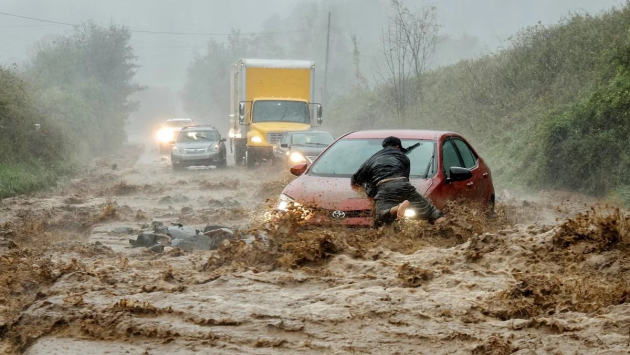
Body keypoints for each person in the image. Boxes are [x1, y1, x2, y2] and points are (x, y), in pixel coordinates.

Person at [351, 136, 446, 227]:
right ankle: (446, 234)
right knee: (433, 213)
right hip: (403, 184)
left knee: (379, 218)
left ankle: (396, 208)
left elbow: (355, 180)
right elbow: (406, 179)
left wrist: (367, 190)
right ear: (397, 146)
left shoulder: (371, 159)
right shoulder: (404, 157)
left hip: (385, 187)